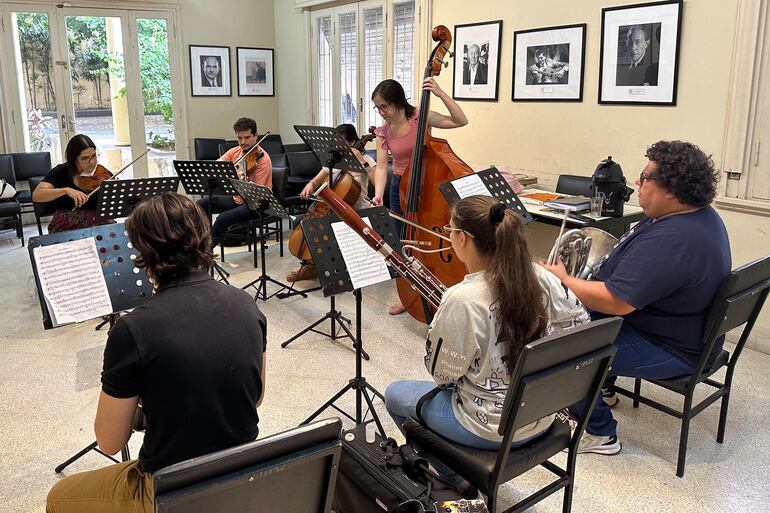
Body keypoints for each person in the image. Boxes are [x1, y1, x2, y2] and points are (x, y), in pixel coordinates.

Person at [46, 193, 267, 513]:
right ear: (203, 237)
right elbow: (256, 395)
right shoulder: (247, 304)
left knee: (59, 496)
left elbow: (109, 442)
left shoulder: (134, 329)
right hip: (240, 474)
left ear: (140, 251)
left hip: (172, 489)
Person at [384, 195, 590, 493]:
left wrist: (449, 330)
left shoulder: (462, 298)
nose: (448, 234)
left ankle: (458, 480)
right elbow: (579, 328)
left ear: (463, 239)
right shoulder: (542, 275)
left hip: (490, 426)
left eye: (450, 229)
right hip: (542, 414)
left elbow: (442, 376)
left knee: (395, 395)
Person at [540, 140, 731, 455]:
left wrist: (564, 280)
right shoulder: (697, 216)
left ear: (670, 190)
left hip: (673, 348)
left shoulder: (674, 240)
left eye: (645, 178)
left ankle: (598, 431)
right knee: (565, 318)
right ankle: (598, 386)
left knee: (556, 348)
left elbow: (616, 301)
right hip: (674, 328)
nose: (636, 184)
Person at [370, 77, 468, 315]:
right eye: (378, 107)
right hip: (399, 188)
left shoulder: (419, 117)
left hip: (427, 186)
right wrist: (379, 194)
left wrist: (441, 92)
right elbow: (382, 167)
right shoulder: (383, 132)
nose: (381, 112)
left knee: (430, 238)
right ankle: (409, 295)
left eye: (384, 106)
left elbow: (460, 120)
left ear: (398, 102)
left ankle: (443, 287)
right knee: (405, 243)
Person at [286, 123, 376, 283]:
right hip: (332, 209)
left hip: (356, 210)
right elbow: (316, 180)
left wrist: (360, 160)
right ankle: (310, 266)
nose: (337, 147)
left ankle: (330, 267)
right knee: (303, 223)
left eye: (341, 143)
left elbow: (376, 177)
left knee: (326, 228)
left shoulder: (366, 160)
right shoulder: (334, 162)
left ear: (351, 142)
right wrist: (310, 185)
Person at [197, 117, 273, 248]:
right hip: (237, 199)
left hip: (256, 203)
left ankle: (205, 252)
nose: (243, 142)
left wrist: (238, 178)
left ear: (256, 136)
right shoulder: (236, 151)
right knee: (199, 205)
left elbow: (255, 193)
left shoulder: (262, 160)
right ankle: (197, 241)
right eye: (239, 138)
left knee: (223, 218)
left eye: (247, 137)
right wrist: (226, 170)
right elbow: (217, 164)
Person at [32, 134, 115, 233]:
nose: (92, 162)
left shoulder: (101, 172)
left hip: (98, 223)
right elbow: (37, 195)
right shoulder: (61, 171)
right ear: (73, 159)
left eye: (93, 156)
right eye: (85, 158)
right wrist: (66, 190)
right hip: (67, 225)